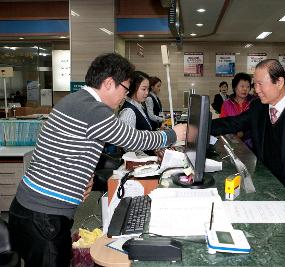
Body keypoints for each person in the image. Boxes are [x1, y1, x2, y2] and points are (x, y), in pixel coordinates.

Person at [8, 53, 186, 267]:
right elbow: (133, 138)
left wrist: (78, 180)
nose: (126, 96)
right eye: (126, 89)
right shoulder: (92, 108)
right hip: (43, 216)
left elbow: (71, 150)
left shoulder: (78, 102)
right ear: (109, 83)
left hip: (35, 211)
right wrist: (173, 134)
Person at [211, 59, 285, 215]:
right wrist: (196, 127)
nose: (256, 90)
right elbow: (232, 123)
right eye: (254, 84)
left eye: (260, 84)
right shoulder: (258, 107)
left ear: (279, 82)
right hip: (267, 189)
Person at [219, 73, 253, 148]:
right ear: (234, 87)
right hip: (232, 144)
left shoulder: (254, 103)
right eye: (242, 86)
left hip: (251, 146)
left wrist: (244, 133)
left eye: (248, 86)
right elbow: (223, 125)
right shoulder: (226, 104)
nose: (245, 89)